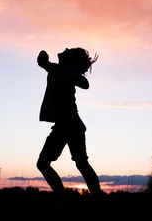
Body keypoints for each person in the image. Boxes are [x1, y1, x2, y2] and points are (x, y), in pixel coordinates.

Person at [36, 47, 102, 196]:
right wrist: (43, 59)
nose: (65, 49)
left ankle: (63, 200)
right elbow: (44, 63)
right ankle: (97, 202)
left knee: (43, 163)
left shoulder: (63, 70)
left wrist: (68, 71)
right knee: (81, 163)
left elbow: (85, 83)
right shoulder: (58, 69)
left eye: (69, 50)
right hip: (72, 124)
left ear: (71, 60)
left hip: (66, 124)